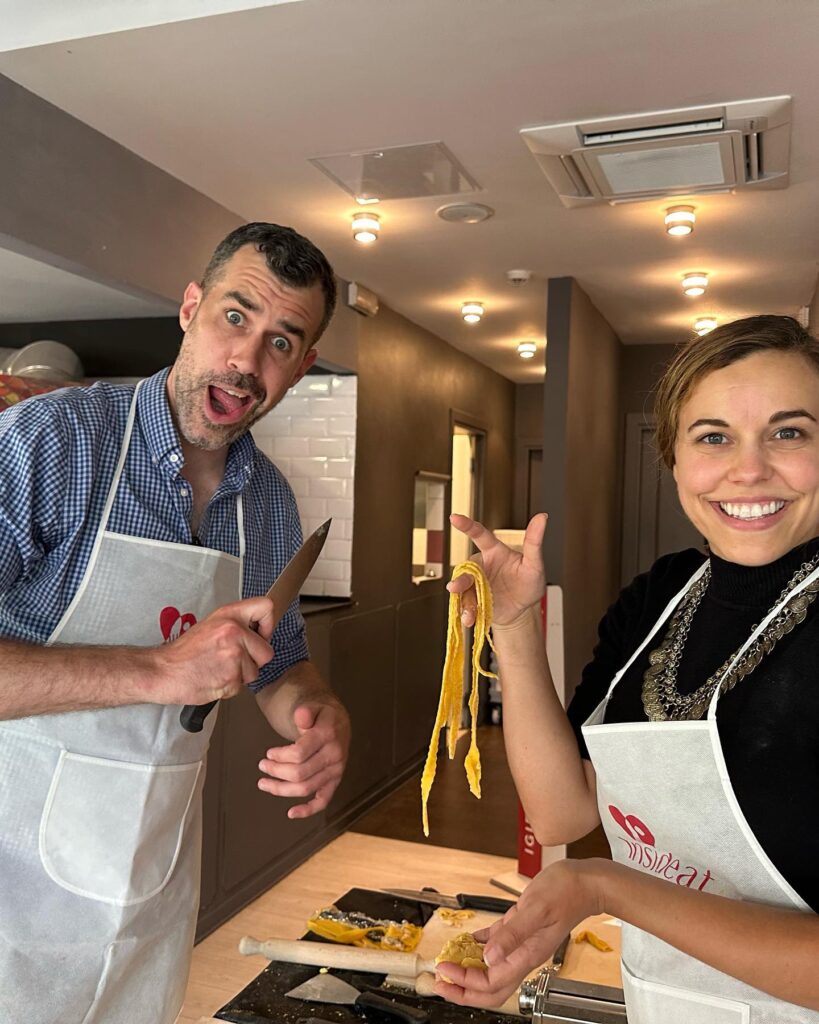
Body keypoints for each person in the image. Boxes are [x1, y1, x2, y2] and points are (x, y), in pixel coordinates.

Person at [0, 222, 351, 1024]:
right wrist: (158, 670)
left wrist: (316, 717)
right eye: (235, 317)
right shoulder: (50, 444)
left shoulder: (267, 503)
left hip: (145, 887)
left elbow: (279, 663)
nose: (247, 361)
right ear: (191, 308)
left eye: (282, 342)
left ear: (302, 366)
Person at [436, 315, 819, 1021]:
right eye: (712, 437)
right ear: (671, 457)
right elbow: (563, 808)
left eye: (788, 432)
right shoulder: (661, 594)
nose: (749, 469)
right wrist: (514, 625)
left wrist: (607, 888)